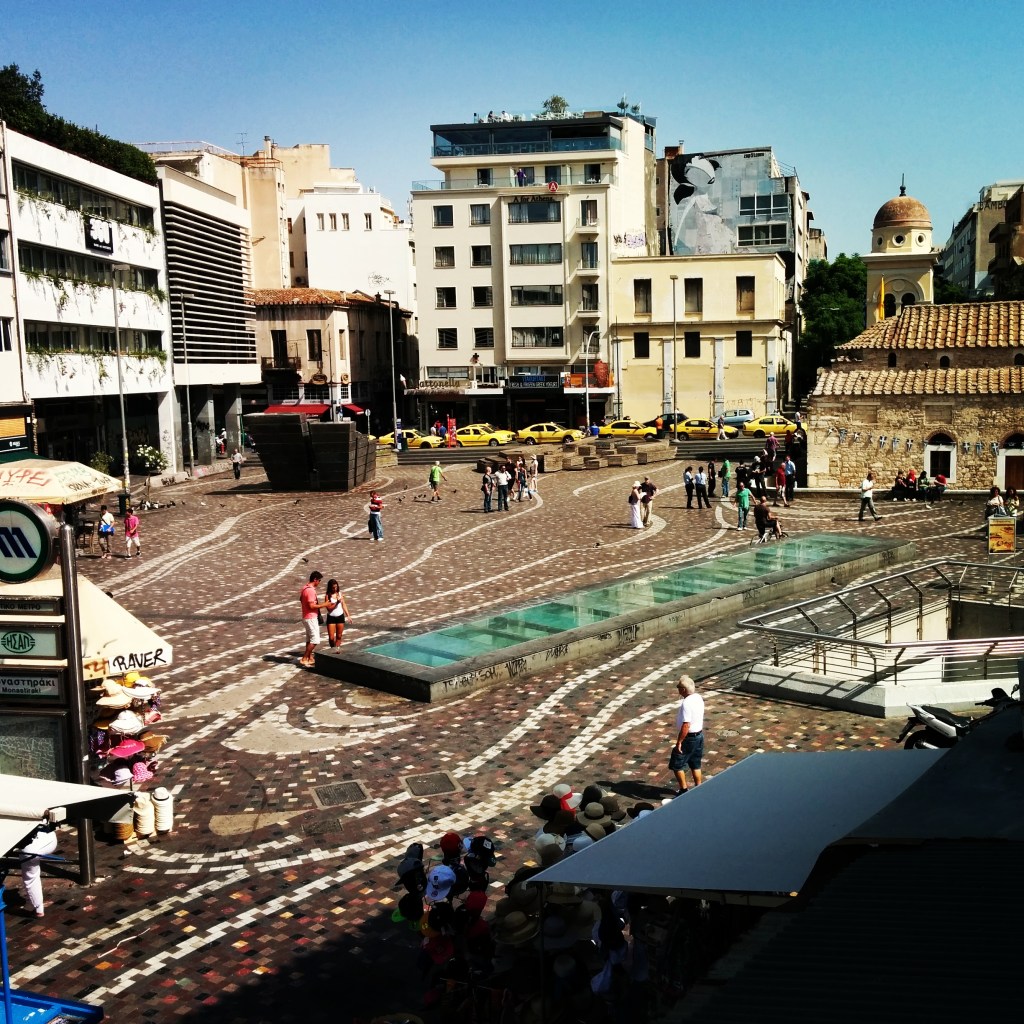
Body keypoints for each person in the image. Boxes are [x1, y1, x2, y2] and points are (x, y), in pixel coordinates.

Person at [668, 676, 705, 794]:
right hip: (699, 736)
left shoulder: (686, 703)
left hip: (689, 739)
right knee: (695, 764)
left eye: (678, 687)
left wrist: (679, 742)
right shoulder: (698, 697)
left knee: (677, 764)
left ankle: (683, 790)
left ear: (683, 689)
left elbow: (686, 725)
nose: (678, 689)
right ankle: (699, 789)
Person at [16, 827, 58, 917]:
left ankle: (38, 909)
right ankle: (33, 904)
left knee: (30, 876)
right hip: (51, 838)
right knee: (32, 868)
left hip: (29, 848)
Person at [299, 571, 328, 667]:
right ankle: (304, 658)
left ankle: (310, 657)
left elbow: (301, 600)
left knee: (309, 638)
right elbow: (311, 606)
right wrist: (324, 604)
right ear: (315, 579)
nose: (319, 582)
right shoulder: (310, 591)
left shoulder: (305, 588)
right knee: (315, 640)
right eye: (319, 580)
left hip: (306, 616)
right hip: (311, 617)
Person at [323, 578, 351, 648]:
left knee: (339, 636)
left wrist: (348, 615)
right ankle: (332, 648)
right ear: (330, 588)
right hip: (331, 618)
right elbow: (329, 609)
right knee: (331, 638)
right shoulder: (327, 596)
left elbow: (343, 604)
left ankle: (337, 649)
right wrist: (337, 602)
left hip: (340, 616)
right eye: (333, 587)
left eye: (336, 587)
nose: (335, 589)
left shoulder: (340, 594)